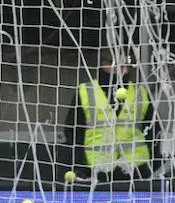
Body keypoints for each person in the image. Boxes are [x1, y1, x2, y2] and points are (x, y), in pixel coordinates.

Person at [63, 50, 162, 181]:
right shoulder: (86, 92)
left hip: (136, 167)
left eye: (125, 66)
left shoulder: (140, 93)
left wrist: (154, 166)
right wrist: (78, 165)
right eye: (116, 65)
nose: (122, 70)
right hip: (96, 167)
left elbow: (154, 131)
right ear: (104, 65)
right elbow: (73, 132)